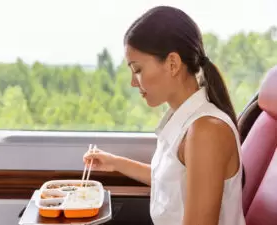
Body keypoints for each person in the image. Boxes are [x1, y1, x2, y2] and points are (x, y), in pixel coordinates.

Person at [83, 6, 246, 225]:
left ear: (172, 64)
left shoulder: (207, 130)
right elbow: (172, 182)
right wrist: (115, 162)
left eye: (138, 70)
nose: (133, 82)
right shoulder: (183, 120)